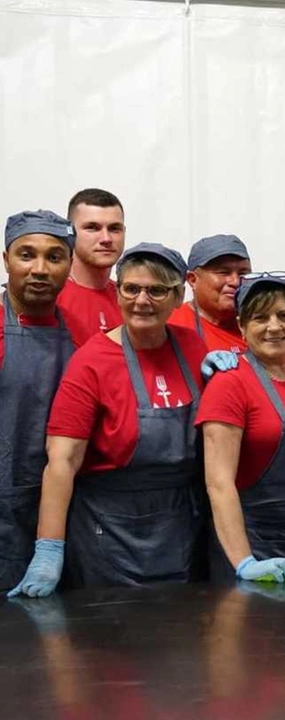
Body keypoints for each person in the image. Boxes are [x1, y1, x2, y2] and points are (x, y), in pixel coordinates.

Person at [10, 243, 207, 596]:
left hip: (179, 524)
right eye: (131, 289)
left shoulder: (193, 346)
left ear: (178, 298)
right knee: (110, 644)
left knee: (175, 639)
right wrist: (49, 547)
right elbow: (62, 461)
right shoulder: (91, 362)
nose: (141, 301)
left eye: (156, 290)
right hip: (108, 530)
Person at [196, 271, 285, 719]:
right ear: (241, 327)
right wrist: (244, 563)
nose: (272, 326)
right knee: (249, 663)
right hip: (253, 540)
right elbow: (218, 483)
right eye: (258, 318)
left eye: (282, 316)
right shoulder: (230, 383)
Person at [1, 211, 76, 593]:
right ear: (6, 260)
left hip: (61, 516)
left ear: (70, 264)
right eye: (26, 255)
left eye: (55, 256)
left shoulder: (79, 333)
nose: (40, 269)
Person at [57, 188, 126, 345]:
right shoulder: (49, 298)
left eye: (114, 228)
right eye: (92, 227)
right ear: (70, 233)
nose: (106, 238)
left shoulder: (132, 299)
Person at [169, 234, 253, 353]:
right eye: (223, 272)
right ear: (193, 279)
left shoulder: (260, 326)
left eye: (243, 274)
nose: (235, 282)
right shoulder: (169, 324)